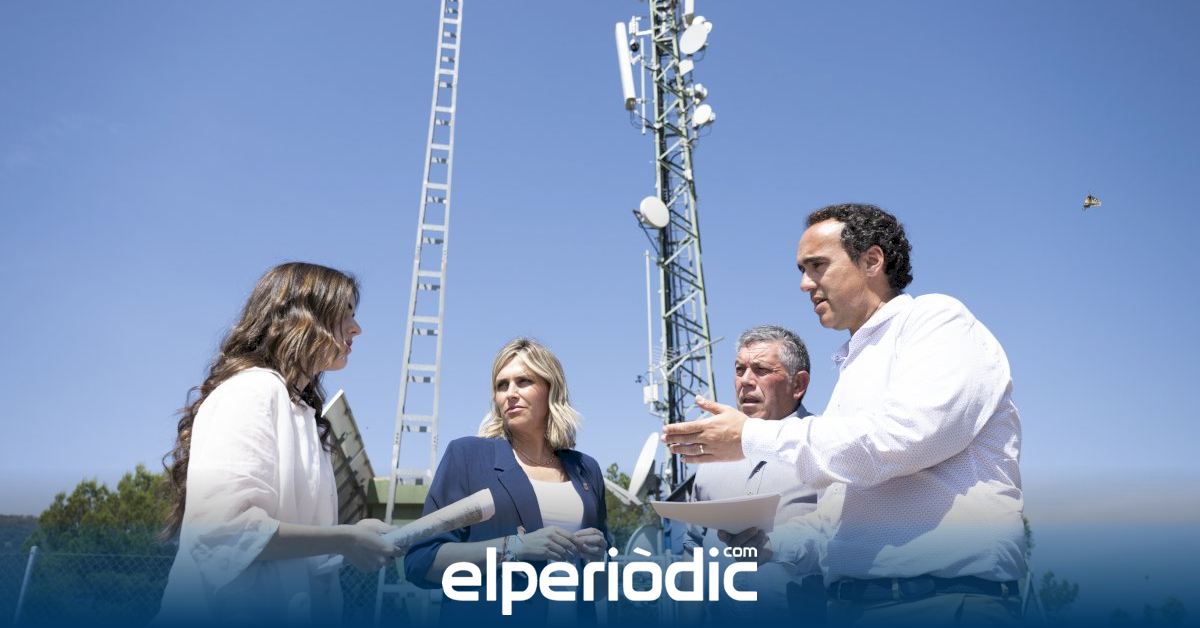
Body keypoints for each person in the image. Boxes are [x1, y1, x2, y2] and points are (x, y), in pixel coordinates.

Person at [663, 204, 1026, 625]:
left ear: (872, 260)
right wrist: (771, 544)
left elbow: (901, 440)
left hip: (942, 601)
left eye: (818, 265)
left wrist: (748, 437)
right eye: (802, 270)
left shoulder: (936, 321)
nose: (804, 284)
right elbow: (841, 515)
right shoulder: (852, 371)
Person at [157, 262, 400, 626]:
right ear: (304, 316)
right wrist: (345, 540)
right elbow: (226, 530)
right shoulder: (251, 391)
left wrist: (345, 544)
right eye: (345, 313)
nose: (356, 328)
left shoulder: (302, 414)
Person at [404, 338, 609, 625]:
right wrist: (514, 547)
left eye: (523, 381)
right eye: (502, 385)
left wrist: (598, 561)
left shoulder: (586, 470)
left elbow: (597, 591)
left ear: (551, 388)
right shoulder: (467, 456)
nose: (510, 393)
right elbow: (421, 561)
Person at [682, 325, 823, 620]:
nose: (745, 380)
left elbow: (846, 539)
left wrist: (776, 545)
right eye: (739, 369)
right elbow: (693, 549)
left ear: (798, 384)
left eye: (760, 370)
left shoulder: (825, 448)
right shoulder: (711, 458)